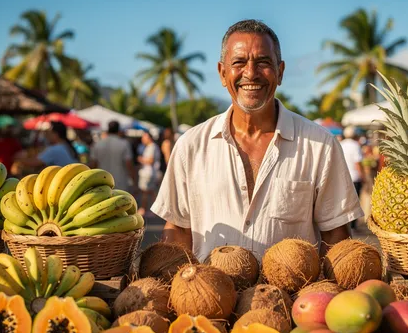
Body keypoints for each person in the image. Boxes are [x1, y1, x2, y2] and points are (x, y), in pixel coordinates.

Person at [151, 19, 364, 262]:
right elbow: (178, 229)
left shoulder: (320, 145)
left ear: (280, 72)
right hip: (210, 297)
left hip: (294, 299)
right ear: (222, 73)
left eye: (263, 62)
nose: (250, 73)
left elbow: (335, 234)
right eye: (239, 62)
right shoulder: (191, 145)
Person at [13, 121, 78, 173]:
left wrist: (17, 158)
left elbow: (34, 163)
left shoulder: (55, 149)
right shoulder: (66, 145)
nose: (45, 135)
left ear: (56, 134)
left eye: (48, 132)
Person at [90, 121, 136, 191]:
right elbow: (129, 164)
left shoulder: (98, 144)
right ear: (118, 130)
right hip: (120, 183)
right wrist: (134, 181)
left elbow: (93, 165)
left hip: (102, 183)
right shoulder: (124, 144)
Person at [340, 126, 364, 230]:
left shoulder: (341, 144)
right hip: (354, 177)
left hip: (342, 177)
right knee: (354, 201)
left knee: (343, 201)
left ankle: (345, 224)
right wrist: (362, 175)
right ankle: (353, 225)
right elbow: (357, 162)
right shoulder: (355, 145)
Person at [137, 132, 161, 218]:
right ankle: (155, 210)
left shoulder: (152, 147)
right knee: (150, 192)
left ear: (149, 138)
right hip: (149, 172)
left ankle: (143, 209)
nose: (142, 139)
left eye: (144, 137)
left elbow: (150, 160)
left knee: (146, 191)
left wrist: (141, 159)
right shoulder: (150, 147)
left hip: (149, 172)